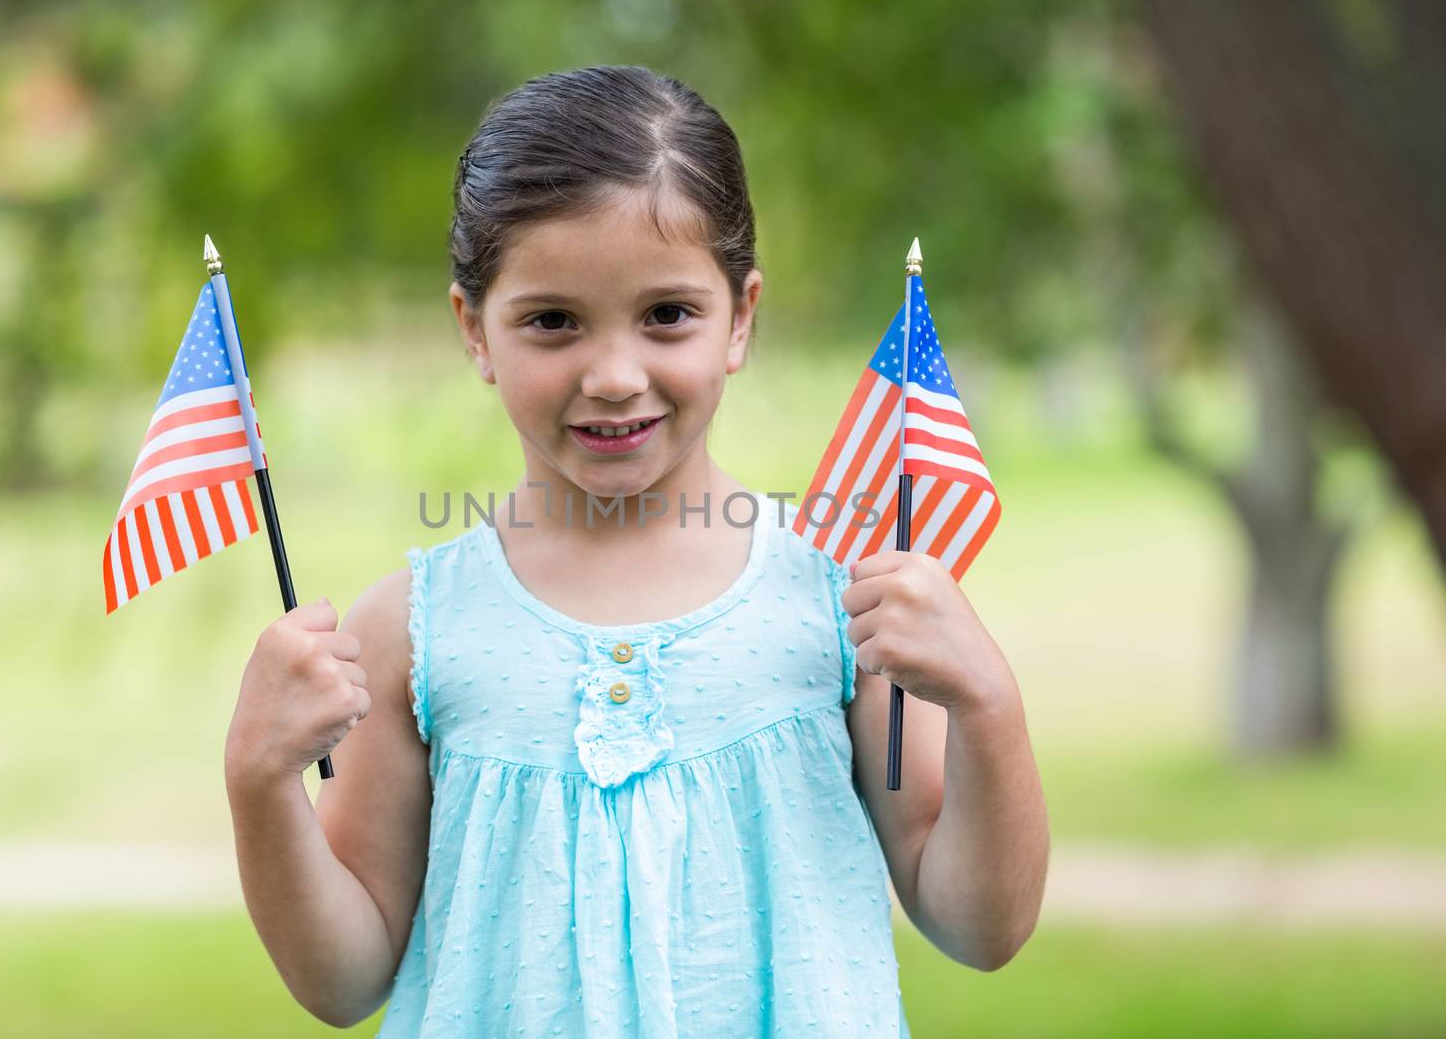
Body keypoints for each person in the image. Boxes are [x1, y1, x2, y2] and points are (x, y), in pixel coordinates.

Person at [224, 64, 1049, 1037]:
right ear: (474, 329)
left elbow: (976, 922)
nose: (615, 375)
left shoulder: (848, 602)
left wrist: (988, 702)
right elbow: (346, 975)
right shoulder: (412, 631)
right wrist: (258, 778)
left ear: (739, 316)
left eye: (666, 314)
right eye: (553, 321)